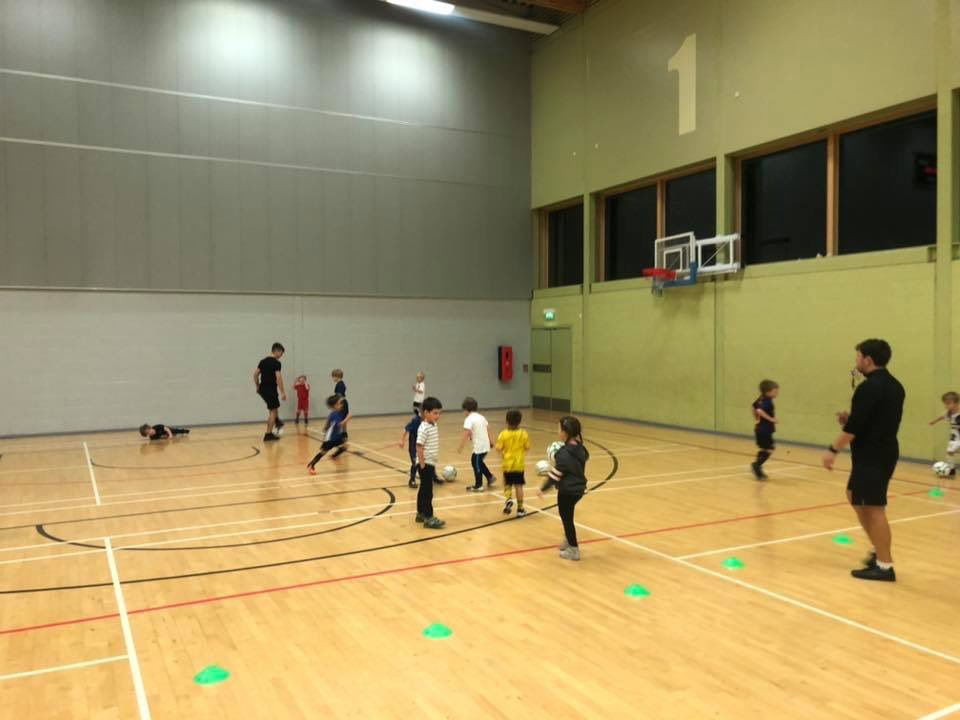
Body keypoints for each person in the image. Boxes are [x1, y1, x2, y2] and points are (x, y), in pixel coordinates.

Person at [822, 339, 905, 582]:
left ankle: (884, 565)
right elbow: (874, 419)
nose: (856, 361)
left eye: (858, 356)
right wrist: (851, 418)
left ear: (868, 360)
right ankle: (878, 550)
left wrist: (832, 450)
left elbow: (855, 428)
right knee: (853, 495)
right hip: (881, 451)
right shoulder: (894, 385)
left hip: (874, 454)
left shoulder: (868, 388)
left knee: (873, 507)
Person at [539, 416, 589, 561]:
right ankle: (568, 540)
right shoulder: (580, 447)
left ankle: (573, 549)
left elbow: (556, 474)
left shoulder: (563, 453)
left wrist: (543, 488)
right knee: (568, 515)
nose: (558, 432)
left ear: (565, 432)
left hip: (567, 490)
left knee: (567, 519)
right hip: (579, 489)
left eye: (559, 429)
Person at [416, 397, 446, 529]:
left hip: (430, 463)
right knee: (428, 491)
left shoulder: (433, 424)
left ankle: (421, 513)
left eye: (439, 413)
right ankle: (429, 517)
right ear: (425, 413)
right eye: (435, 413)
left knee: (423, 488)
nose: (437, 416)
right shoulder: (424, 428)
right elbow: (419, 446)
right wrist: (422, 464)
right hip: (425, 464)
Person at [496, 409, 531, 516]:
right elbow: (527, 447)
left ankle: (508, 499)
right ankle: (520, 509)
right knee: (519, 486)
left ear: (506, 421)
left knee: (507, 483)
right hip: (519, 464)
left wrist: (503, 454)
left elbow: (498, 448)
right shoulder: (523, 433)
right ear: (519, 421)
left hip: (507, 464)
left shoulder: (503, 434)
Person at [458, 396, 496, 492]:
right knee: (478, 462)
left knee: (476, 463)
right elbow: (488, 428)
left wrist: (461, 446)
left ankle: (479, 485)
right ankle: (490, 477)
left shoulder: (469, 419)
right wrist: (491, 441)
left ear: (466, 409)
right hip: (485, 445)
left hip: (479, 447)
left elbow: (466, 432)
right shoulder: (481, 417)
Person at [306, 395, 348, 473]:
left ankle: (334, 456)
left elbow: (328, 420)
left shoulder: (336, 413)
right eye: (339, 404)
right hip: (330, 439)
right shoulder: (335, 414)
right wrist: (348, 418)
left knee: (345, 446)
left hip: (336, 436)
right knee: (323, 452)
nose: (341, 405)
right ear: (335, 406)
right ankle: (311, 465)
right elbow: (340, 424)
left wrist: (325, 427)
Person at [254, 343, 286, 442]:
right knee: (273, 411)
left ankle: (277, 421)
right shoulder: (276, 363)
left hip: (263, 389)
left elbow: (255, 374)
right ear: (277, 351)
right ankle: (268, 434)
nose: (281, 356)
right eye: (281, 353)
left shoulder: (263, 361)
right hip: (270, 389)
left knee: (274, 406)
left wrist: (257, 385)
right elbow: (278, 378)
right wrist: (283, 392)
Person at [751, 380, 779, 480]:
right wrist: (771, 419)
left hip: (759, 429)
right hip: (765, 429)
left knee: (764, 449)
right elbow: (759, 410)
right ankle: (757, 465)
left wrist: (756, 418)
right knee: (770, 448)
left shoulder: (761, 398)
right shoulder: (767, 401)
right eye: (775, 391)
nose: (777, 393)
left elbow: (754, 407)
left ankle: (758, 468)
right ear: (768, 392)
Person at [928, 391, 959, 476]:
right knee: (949, 452)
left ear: (956, 403)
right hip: (955, 438)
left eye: (949, 403)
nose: (946, 406)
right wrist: (934, 422)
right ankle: (952, 470)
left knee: (951, 451)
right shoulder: (949, 413)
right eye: (945, 404)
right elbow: (942, 417)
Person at [399, 409, 423, 488]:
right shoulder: (416, 420)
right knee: (415, 463)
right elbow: (406, 429)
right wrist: (402, 440)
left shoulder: (426, 420)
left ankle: (433, 477)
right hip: (413, 446)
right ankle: (412, 480)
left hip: (422, 445)